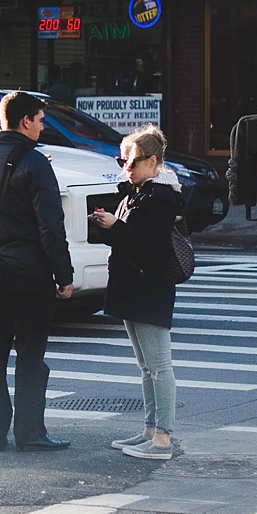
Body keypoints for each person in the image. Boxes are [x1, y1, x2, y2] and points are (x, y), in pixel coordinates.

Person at [0, 90, 75, 451]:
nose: (43, 127)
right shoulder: (35, 163)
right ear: (26, 120)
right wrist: (64, 275)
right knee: (30, 355)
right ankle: (30, 432)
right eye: (41, 120)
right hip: (30, 272)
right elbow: (50, 225)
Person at [94, 125, 185, 460]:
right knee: (146, 367)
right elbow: (128, 239)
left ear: (153, 162)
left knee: (159, 365)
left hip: (150, 286)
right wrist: (108, 224)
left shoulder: (161, 196)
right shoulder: (138, 191)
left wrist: (116, 227)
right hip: (134, 285)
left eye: (131, 163)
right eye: (123, 161)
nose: (125, 168)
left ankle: (162, 438)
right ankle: (150, 429)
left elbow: (150, 246)